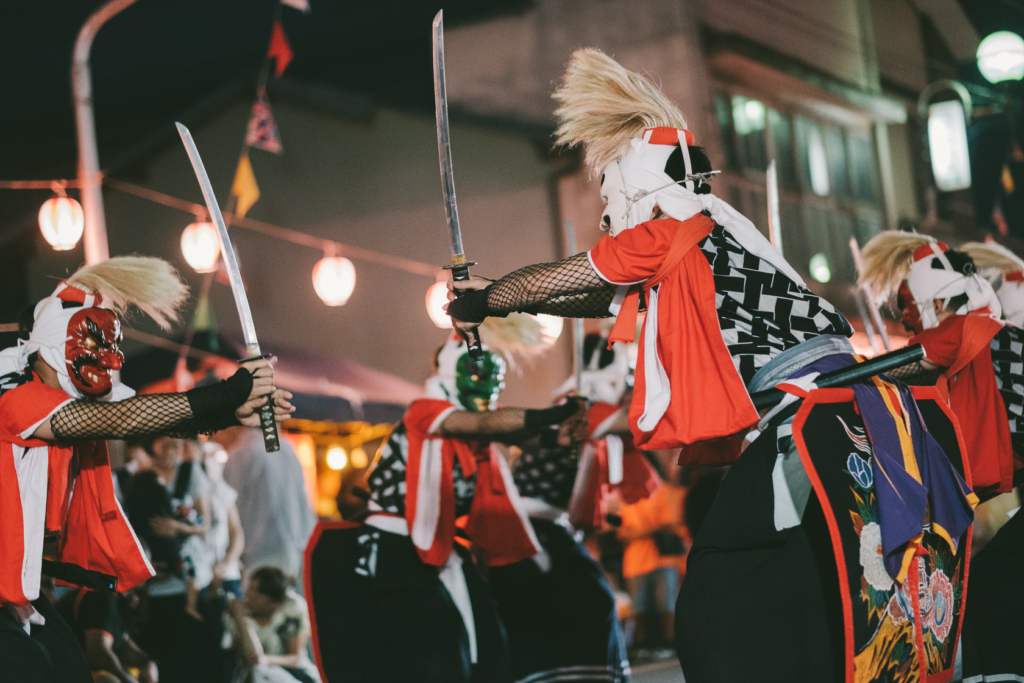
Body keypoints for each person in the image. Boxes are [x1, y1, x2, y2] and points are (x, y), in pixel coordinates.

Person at [444, 51, 975, 682]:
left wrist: (486, 298)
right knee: (803, 574)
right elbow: (595, 293)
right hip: (847, 411)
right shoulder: (710, 229)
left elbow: (575, 275)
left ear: (632, 182)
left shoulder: (671, 230)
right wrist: (493, 296)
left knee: (720, 584)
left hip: (807, 417)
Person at [0, 256, 292, 683]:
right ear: (52, 341)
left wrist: (231, 409)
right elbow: (122, 419)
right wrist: (227, 394)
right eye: (94, 342)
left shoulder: (64, 402)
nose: (109, 357)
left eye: (111, 345)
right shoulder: (16, 396)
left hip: (21, 595)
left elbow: (142, 415)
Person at [305, 323, 588, 683]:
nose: (488, 384)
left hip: (442, 551)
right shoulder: (425, 412)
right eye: (478, 373)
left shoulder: (477, 428)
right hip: (394, 550)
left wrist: (556, 435)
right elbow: (487, 425)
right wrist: (552, 417)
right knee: (433, 657)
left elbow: (518, 434)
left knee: (488, 647)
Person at [859, 233, 1024, 681]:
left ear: (934, 302)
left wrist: (831, 374)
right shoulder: (991, 330)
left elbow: (891, 371)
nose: (907, 318)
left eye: (910, 304)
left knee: (991, 586)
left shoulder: (960, 332)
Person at [487, 333, 652, 683]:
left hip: (541, 528)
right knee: (595, 601)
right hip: (533, 530)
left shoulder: (566, 406)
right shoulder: (582, 411)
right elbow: (642, 422)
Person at [605, 451, 686, 657]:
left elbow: (669, 524)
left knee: (666, 604)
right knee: (639, 607)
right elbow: (623, 532)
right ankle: (644, 645)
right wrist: (650, 529)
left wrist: (638, 532)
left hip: (661, 558)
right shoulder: (626, 496)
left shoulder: (662, 490)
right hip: (636, 560)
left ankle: (669, 644)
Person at [215, 425, 315, 582]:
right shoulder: (285, 445)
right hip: (297, 543)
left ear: (230, 427)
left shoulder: (242, 453)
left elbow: (232, 505)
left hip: (260, 548)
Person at [227, 566, 320, 683]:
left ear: (276, 604)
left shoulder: (293, 607)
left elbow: (296, 658)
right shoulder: (237, 611)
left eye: (258, 592)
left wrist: (268, 660)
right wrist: (241, 619)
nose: (249, 595)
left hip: (296, 674)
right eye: (250, 588)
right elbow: (250, 658)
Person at [57, 587, 158, 683]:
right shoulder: (101, 595)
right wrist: (129, 680)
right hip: (59, 667)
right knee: (109, 680)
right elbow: (97, 655)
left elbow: (123, 643)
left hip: (79, 667)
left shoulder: (116, 598)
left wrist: (147, 662)